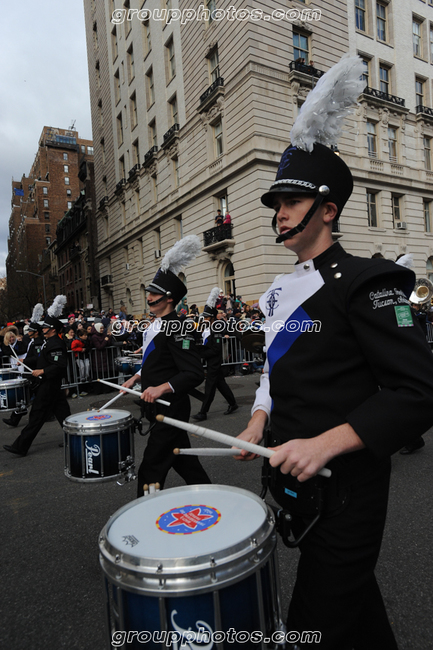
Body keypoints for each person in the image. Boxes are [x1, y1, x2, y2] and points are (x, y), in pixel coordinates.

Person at [235, 55, 433, 650]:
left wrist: (324, 443)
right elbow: (275, 368)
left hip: (347, 487)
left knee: (312, 627)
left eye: (292, 201)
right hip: (296, 482)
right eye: (276, 203)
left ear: (328, 209)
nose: (280, 212)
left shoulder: (367, 283)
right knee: (356, 608)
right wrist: (260, 418)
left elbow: (417, 393)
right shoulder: (278, 291)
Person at [121, 235, 211, 497]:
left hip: (171, 408)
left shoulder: (178, 327)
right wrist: (137, 377)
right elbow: (157, 360)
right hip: (158, 407)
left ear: (169, 299)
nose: (148, 297)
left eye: (154, 294)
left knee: (151, 469)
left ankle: (143, 513)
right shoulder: (156, 325)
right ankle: (212, 497)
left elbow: (194, 373)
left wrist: (162, 388)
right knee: (185, 462)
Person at [3, 296, 71, 457]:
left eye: (46, 327)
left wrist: (42, 371)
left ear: (53, 329)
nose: (43, 329)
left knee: (37, 416)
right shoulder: (49, 342)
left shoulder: (55, 344)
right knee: (63, 414)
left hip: (49, 384)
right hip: (50, 385)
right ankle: (74, 437)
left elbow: (60, 365)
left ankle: (21, 446)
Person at [192, 287, 238, 421]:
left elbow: (216, 349)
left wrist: (201, 353)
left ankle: (203, 412)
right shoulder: (208, 328)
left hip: (214, 362)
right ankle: (233, 404)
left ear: (212, 317)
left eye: (206, 317)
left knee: (209, 388)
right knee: (221, 385)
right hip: (211, 361)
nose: (204, 319)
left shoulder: (216, 329)